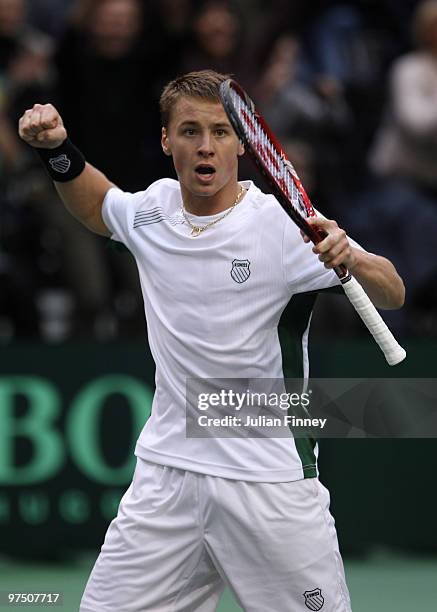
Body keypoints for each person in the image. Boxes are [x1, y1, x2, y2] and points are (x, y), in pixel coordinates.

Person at [18, 69, 405, 611]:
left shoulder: (285, 227)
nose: (206, 147)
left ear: (242, 144)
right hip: (166, 477)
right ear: (166, 140)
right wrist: (58, 150)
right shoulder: (152, 210)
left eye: (222, 132)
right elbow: (97, 204)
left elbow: (392, 291)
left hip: (267, 483)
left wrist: (354, 257)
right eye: (191, 131)